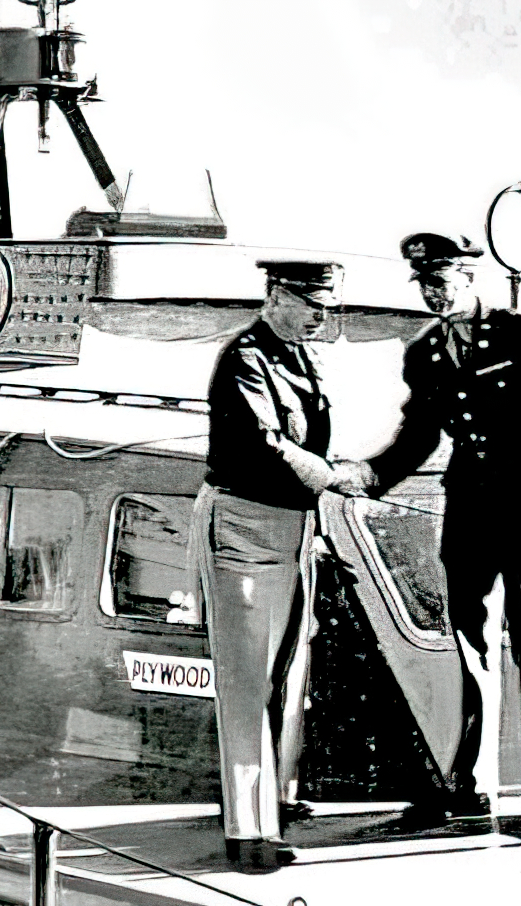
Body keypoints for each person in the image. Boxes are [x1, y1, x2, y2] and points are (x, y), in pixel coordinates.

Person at [344, 232, 521, 835]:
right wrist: (371, 476)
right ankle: (476, 789)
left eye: (441, 280)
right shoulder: (425, 353)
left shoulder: (517, 331)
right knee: (473, 652)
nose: (433, 292)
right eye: (425, 283)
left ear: (468, 277)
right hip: (470, 517)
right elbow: (420, 434)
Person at [191, 258, 364, 871]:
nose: (321, 316)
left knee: (285, 675)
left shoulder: (301, 358)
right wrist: (331, 477)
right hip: (244, 526)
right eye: (312, 304)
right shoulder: (244, 359)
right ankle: (248, 833)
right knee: (246, 682)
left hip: (294, 529)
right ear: (276, 297)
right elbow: (265, 443)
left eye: (327, 306)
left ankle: (275, 804)